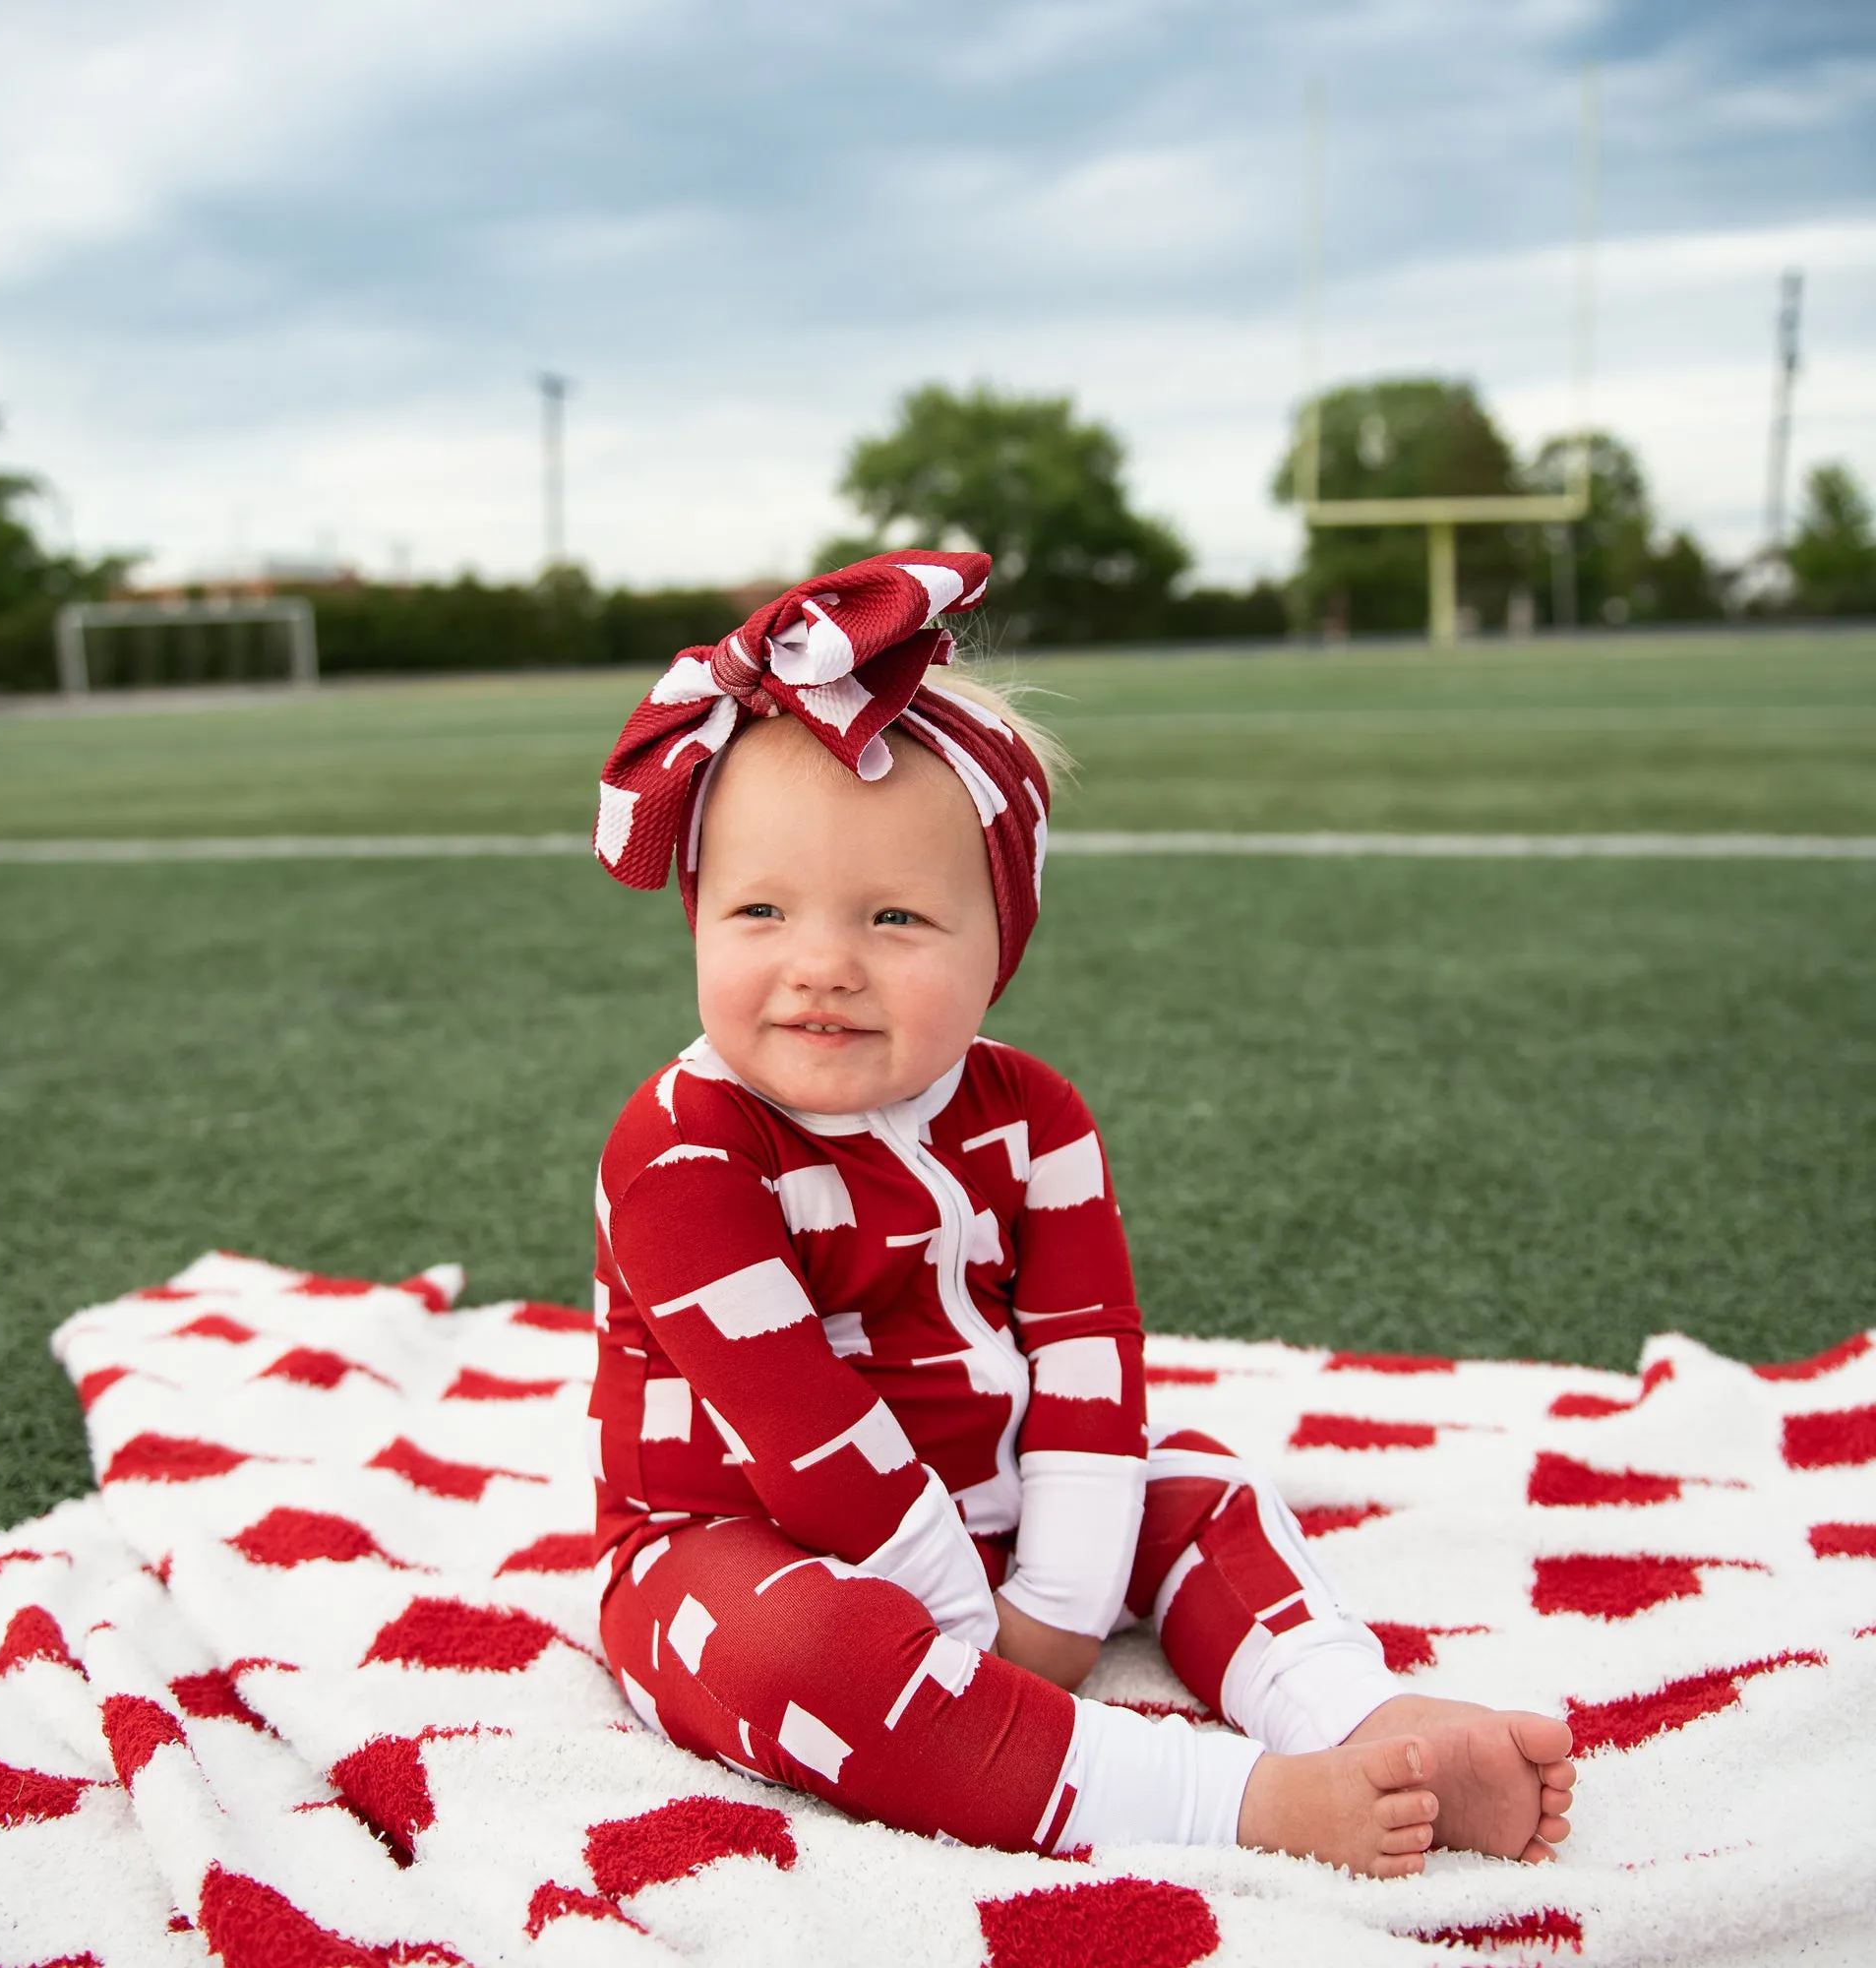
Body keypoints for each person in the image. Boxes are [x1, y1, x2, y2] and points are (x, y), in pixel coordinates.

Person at [581, 550, 1575, 1873]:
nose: (820, 963)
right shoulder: (683, 1148)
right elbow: (799, 1428)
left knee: (1199, 1491)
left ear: (1004, 944)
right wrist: (977, 1623)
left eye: (895, 916)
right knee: (800, 1654)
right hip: (743, 1532)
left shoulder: (1033, 1114)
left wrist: (1061, 1583)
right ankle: (1229, 1801)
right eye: (758, 909)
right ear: (695, 916)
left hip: (994, 1498)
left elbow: (1089, 1357)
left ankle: (1358, 1715)